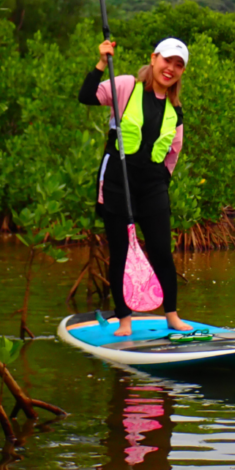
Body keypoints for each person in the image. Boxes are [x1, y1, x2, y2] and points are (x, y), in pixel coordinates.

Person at [79, 37, 193, 334]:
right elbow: (87, 96)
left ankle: (172, 314)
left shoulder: (175, 109)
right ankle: (124, 318)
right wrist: (102, 62)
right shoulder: (126, 86)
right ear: (154, 58)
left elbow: (174, 151)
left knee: (161, 252)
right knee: (120, 252)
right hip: (118, 182)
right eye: (167, 60)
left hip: (153, 187)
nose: (171, 68)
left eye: (178, 65)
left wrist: (161, 184)